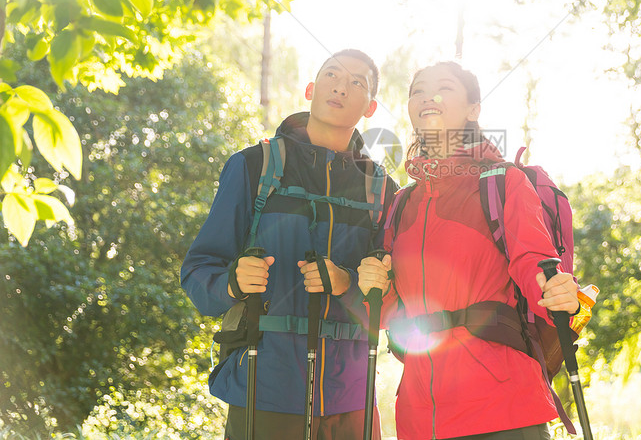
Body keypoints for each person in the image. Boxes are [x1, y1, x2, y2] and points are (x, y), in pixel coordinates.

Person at [357, 61, 581, 440]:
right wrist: (372, 288)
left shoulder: (503, 182)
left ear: (474, 109)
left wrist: (554, 289)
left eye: (443, 87)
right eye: (418, 90)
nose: (428, 95)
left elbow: (532, 261)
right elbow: (391, 312)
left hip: (503, 408)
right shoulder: (401, 204)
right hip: (419, 416)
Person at [181, 49, 396, 440]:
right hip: (264, 391)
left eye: (356, 83)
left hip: (350, 403)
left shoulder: (381, 190)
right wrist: (232, 281)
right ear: (310, 89)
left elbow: (396, 302)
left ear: (371, 107)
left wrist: (347, 284)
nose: (340, 87)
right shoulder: (254, 166)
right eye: (331, 75)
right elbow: (197, 272)